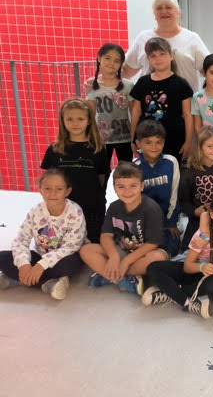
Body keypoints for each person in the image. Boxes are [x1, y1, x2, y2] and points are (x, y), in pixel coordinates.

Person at [143, 191, 213, 319]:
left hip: (211, 273)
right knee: (152, 268)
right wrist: (202, 267)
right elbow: (187, 266)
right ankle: (186, 302)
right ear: (212, 214)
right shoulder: (202, 235)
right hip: (195, 268)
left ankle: (169, 292)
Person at [79, 162, 167, 295]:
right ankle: (123, 278)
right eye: (121, 187)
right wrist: (113, 256)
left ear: (142, 186)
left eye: (133, 186)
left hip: (143, 254)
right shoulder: (113, 207)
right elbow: (106, 235)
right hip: (121, 250)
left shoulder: (151, 208)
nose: (127, 191)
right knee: (86, 250)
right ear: (114, 188)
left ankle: (111, 275)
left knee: (158, 257)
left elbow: (152, 244)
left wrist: (126, 262)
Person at [0, 169, 86, 300]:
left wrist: (41, 266)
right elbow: (21, 240)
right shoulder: (35, 211)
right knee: (2, 257)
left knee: (70, 264)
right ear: (40, 190)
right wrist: (23, 264)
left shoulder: (75, 211)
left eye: (59, 189)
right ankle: (48, 283)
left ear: (67, 191)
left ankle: (17, 279)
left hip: (63, 258)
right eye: (47, 188)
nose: (53, 193)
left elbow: (72, 246)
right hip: (40, 256)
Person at [41, 98, 109, 244]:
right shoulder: (54, 150)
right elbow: (47, 181)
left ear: (89, 121)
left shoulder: (99, 149)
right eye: (70, 119)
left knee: (92, 247)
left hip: (92, 210)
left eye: (80, 119)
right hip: (63, 210)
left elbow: (102, 177)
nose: (75, 123)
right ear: (62, 121)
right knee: (61, 246)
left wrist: (97, 198)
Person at [123, 0, 210, 93]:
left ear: (178, 12)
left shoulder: (192, 38)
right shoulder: (143, 38)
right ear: (154, 13)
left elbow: (209, 70)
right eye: (159, 8)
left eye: (168, 7)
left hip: (186, 101)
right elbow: (127, 70)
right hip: (149, 100)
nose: (164, 11)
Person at [129, 37, 194, 163]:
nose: (158, 58)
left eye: (162, 54)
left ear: (171, 56)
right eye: (153, 55)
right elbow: (136, 112)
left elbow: (188, 115)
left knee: (172, 172)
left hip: (174, 140)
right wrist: (133, 138)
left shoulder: (181, 84)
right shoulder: (142, 82)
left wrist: (189, 142)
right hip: (147, 140)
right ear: (148, 59)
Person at [132, 120, 181, 257]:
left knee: (173, 246)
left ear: (164, 143)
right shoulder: (134, 167)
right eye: (148, 142)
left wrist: (171, 222)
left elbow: (175, 194)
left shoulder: (171, 162)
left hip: (167, 220)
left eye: (158, 142)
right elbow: (133, 200)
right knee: (136, 247)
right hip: (144, 222)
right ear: (138, 144)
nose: (154, 146)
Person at [84, 43, 135, 164]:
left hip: (125, 138)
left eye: (116, 61)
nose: (111, 63)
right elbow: (90, 115)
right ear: (99, 58)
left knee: (127, 170)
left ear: (121, 64)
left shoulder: (128, 85)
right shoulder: (92, 85)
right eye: (107, 58)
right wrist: (89, 137)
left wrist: (134, 137)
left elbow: (135, 113)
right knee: (102, 172)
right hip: (101, 140)